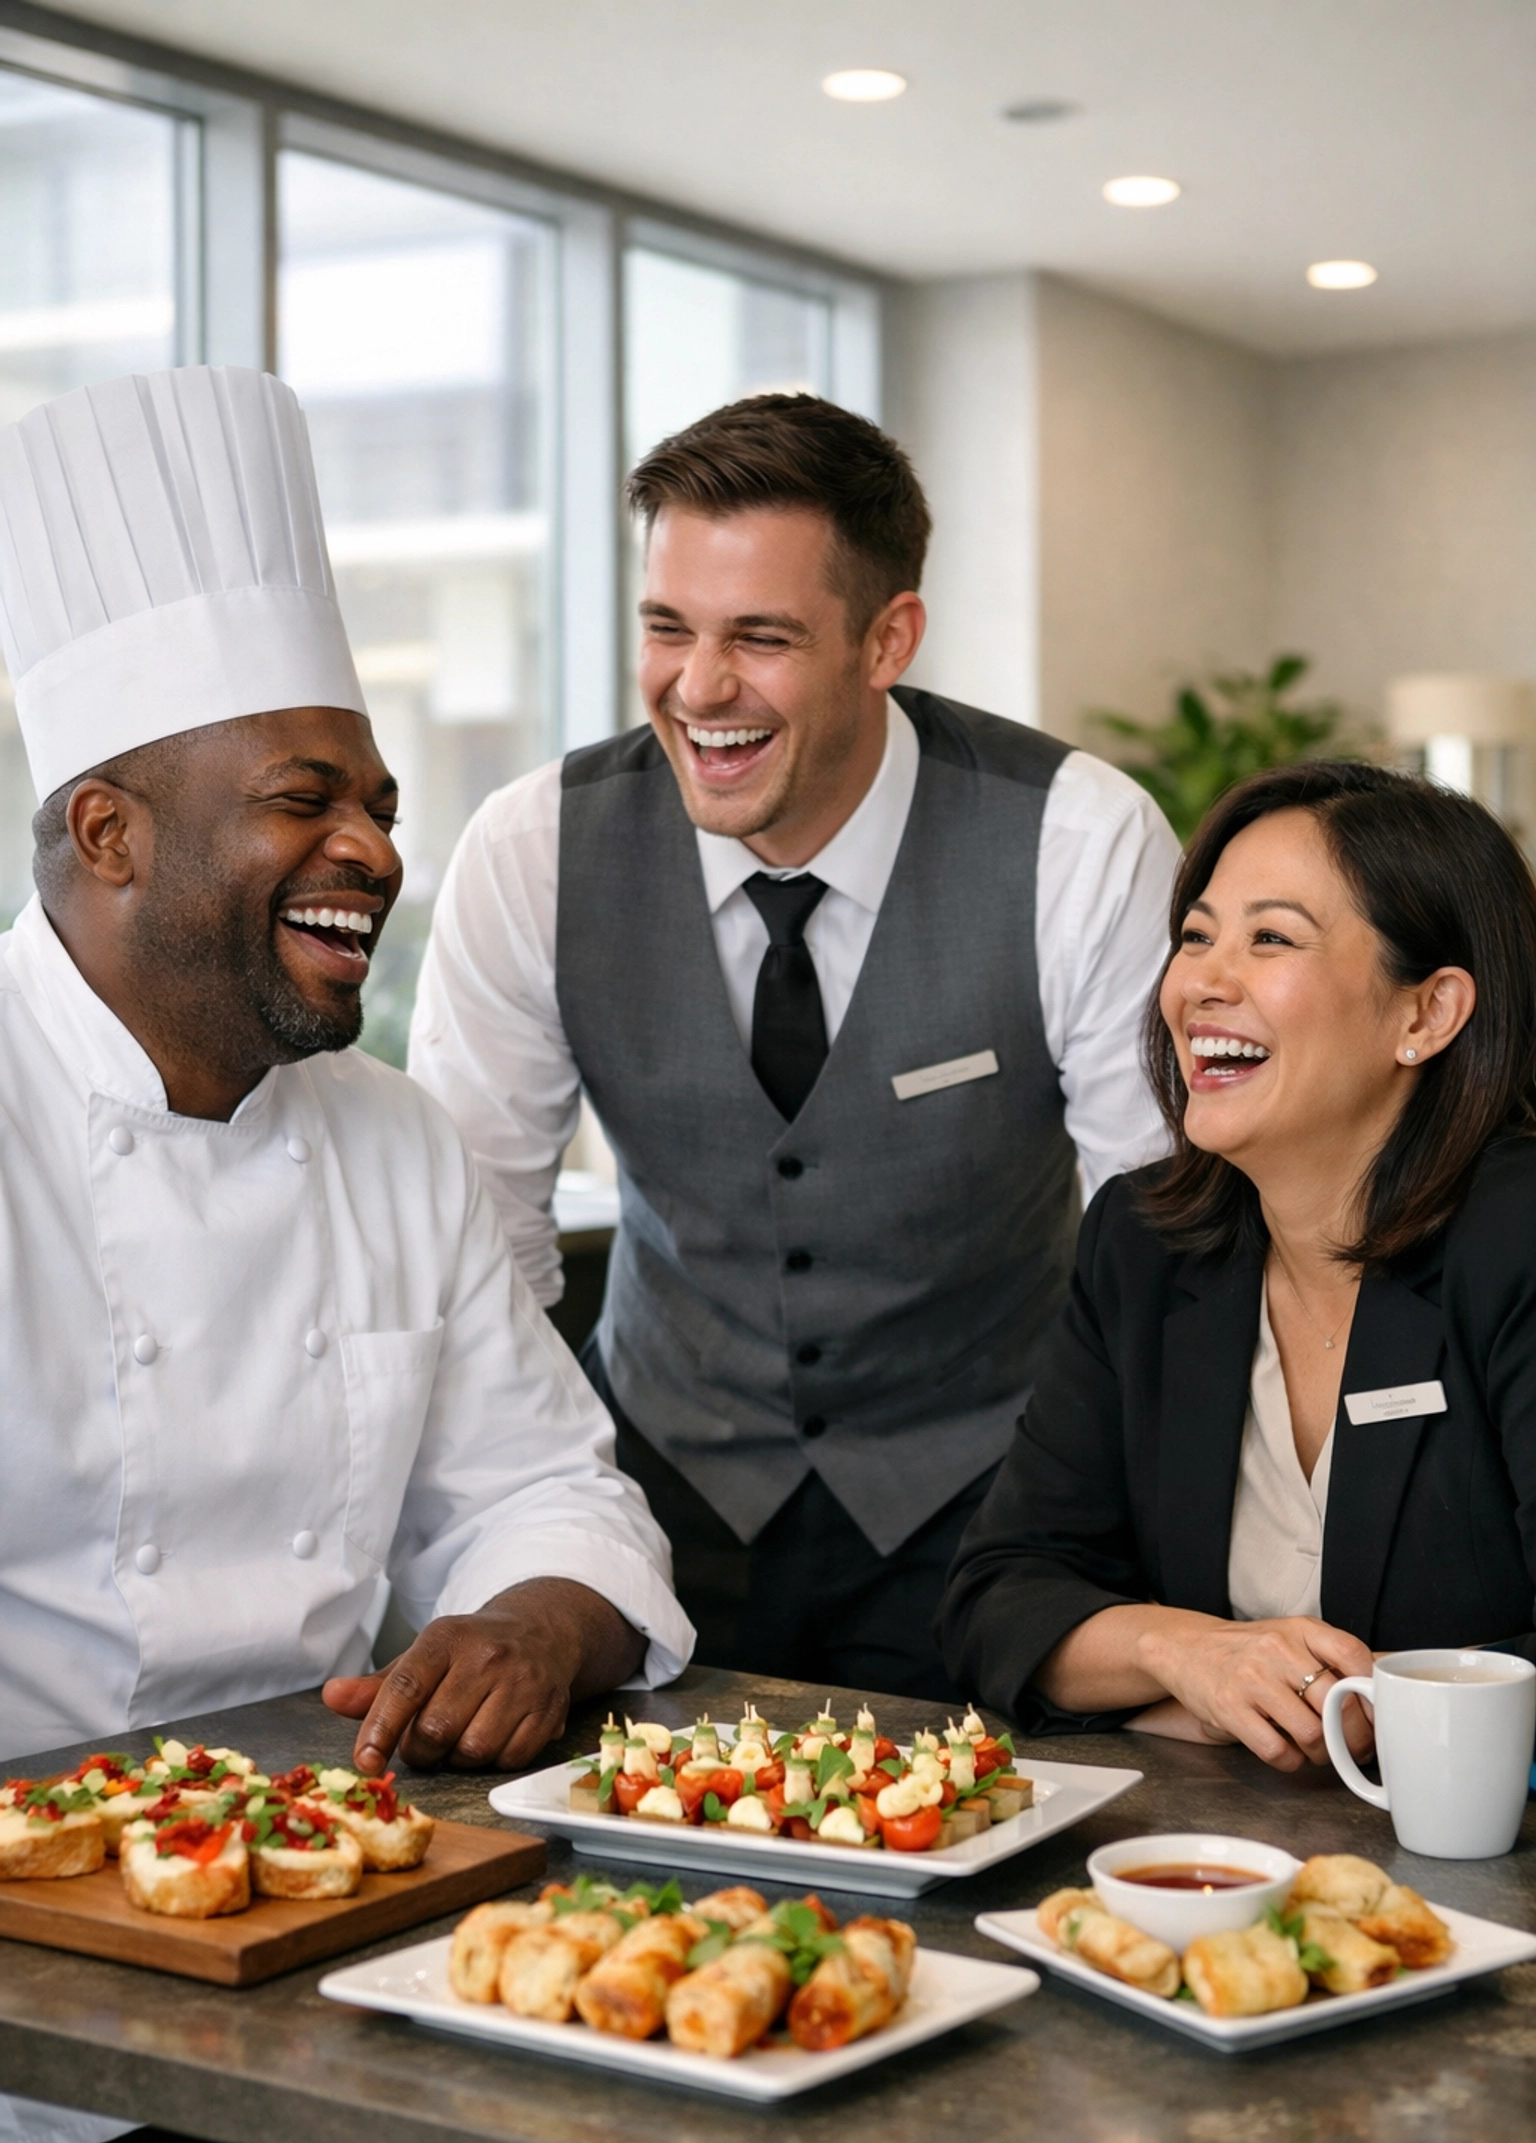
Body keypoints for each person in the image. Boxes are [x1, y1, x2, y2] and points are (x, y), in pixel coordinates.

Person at [0, 365, 691, 2143]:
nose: (377, 848)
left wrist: (536, 1619)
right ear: (109, 831)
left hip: (366, 1947)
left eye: (378, 802)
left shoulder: (389, 1133)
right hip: (32, 2030)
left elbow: (549, 1485)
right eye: (304, 799)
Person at [409, 392, 1179, 1700]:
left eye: (760, 638)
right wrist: (523, 1545)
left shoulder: (1077, 841)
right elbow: (483, 1247)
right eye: (668, 627)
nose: (700, 688)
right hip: (656, 1494)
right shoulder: (535, 850)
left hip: (993, 1509)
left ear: (889, 640)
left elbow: (1155, 1239)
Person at [940, 759, 1536, 1771]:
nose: (1201, 985)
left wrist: (1348, 1713)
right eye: (1196, 937)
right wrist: (1184, 1653)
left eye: (1271, 939)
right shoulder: (1144, 1244)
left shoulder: (1515, 1240)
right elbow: (999, 1600)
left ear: (1426, 1015)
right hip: (1214, 1851)